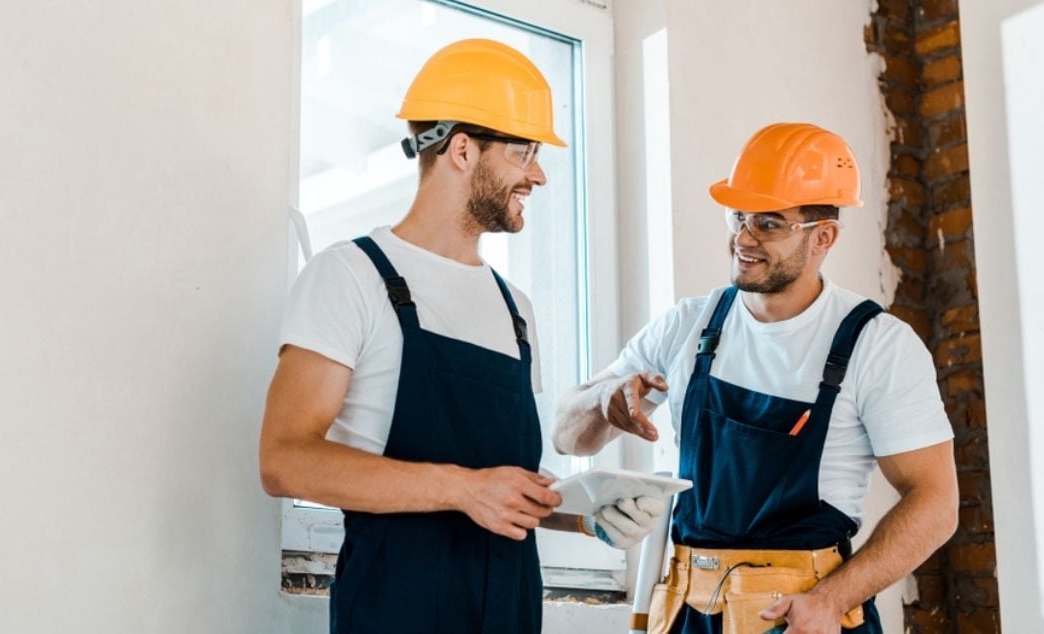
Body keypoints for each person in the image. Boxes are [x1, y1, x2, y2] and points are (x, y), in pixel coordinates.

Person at [259, 38, 663, 634]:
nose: (540, 174)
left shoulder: (514, 309)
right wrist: (461, 489)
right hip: (396, 611)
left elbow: (501, 488)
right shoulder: (351, 276)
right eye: (524, 151)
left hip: (511, 613)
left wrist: (584, 514)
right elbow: (284, 459)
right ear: (463, 150)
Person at [553, 122, 959, 633]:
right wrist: (602, 402)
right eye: (739, 216)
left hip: (801, 617)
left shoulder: (876, 345)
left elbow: (936, 503)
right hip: (687, 612)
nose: (743, 238)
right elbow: (566, 437)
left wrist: (833, 600)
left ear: (824, 237)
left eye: (769, 223)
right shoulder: (689, 325)